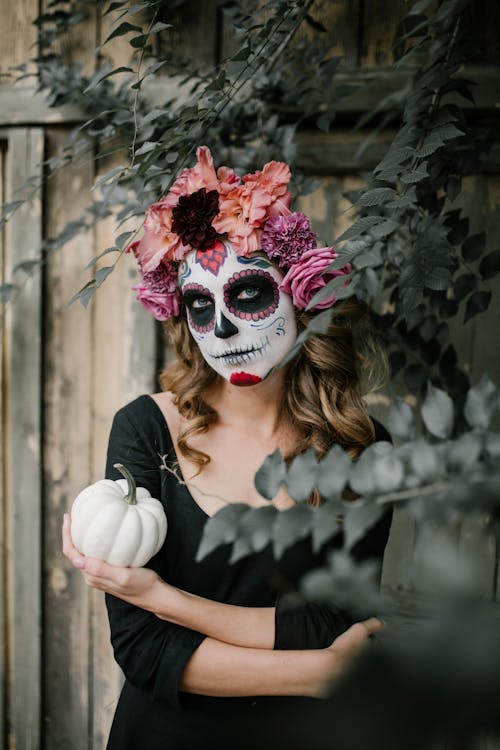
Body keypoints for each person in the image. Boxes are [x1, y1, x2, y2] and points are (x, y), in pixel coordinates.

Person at [62, 147, 392, 750]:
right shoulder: (145, 430)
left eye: (246, 296)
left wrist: (162, 597)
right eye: (199, 305)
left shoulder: (363, 449)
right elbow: (144, 648)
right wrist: (319, 672)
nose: (223, 329)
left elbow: (327, 621)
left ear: (302, 296)